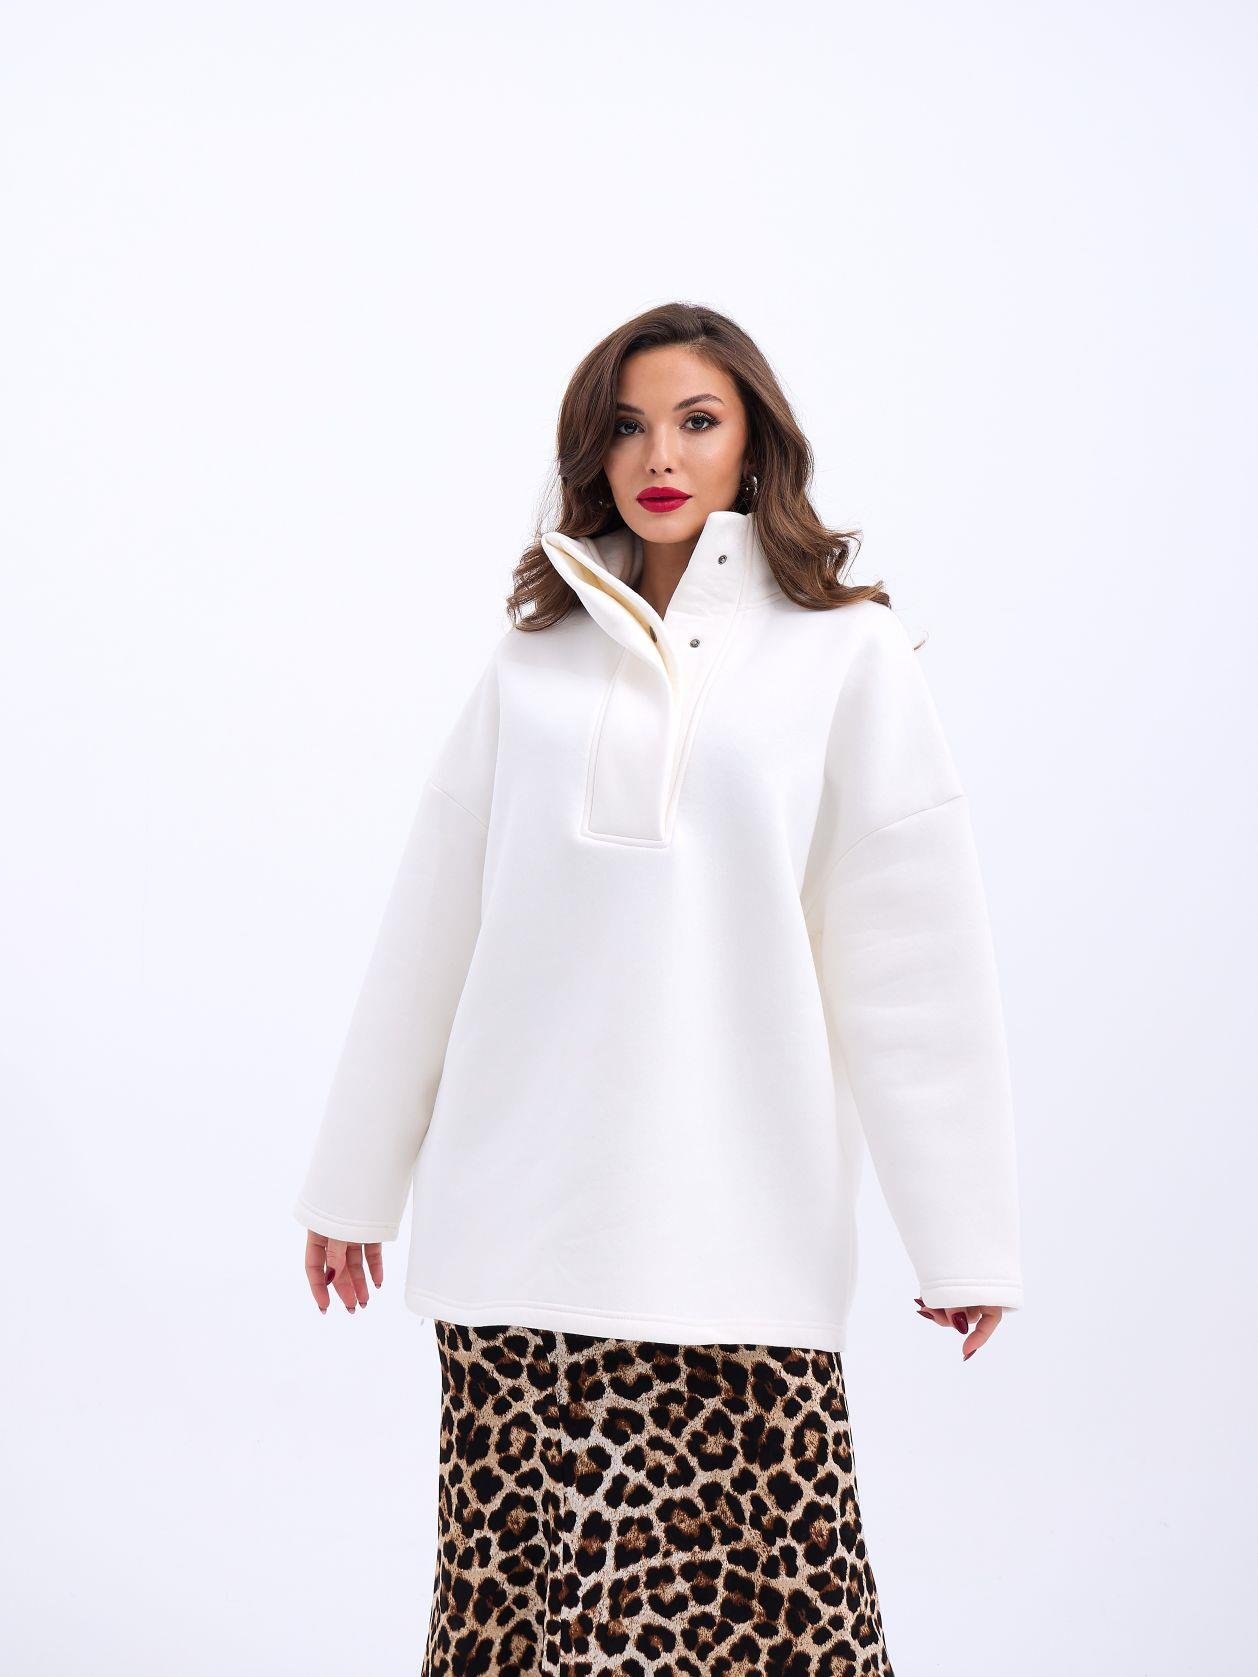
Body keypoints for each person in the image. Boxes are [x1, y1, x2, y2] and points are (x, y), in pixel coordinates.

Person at [292, 301, 1024, 1674]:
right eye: (627, 427)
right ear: (592, 452)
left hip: (736, 1236)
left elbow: (909, 959)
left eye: (697, 420)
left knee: (775, 1626)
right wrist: (352, 1184)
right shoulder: (533, 660)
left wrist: (963, 1234)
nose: (660, 455)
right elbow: (431, 926)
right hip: (517, 1232)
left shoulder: (843, 654)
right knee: (519, 1627)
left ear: (755, 442)